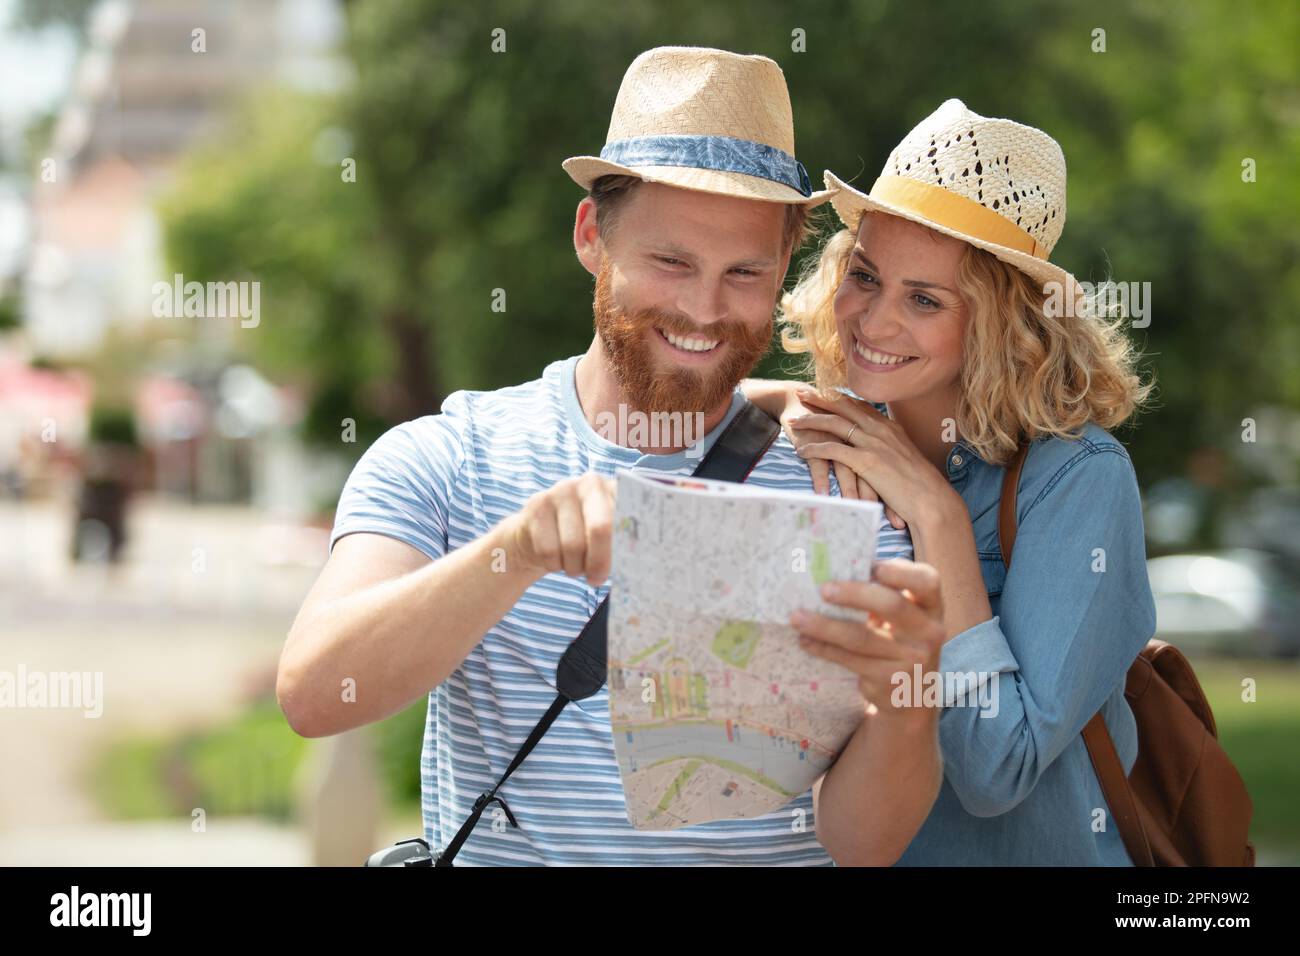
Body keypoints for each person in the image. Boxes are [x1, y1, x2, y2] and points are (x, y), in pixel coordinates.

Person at [278, 47, 947, 866]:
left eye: (745, 273)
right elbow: (316, 694)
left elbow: (865, 847)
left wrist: (907, 702)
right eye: (670, 262)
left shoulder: (844, 491)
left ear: (783, 272)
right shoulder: (449, 458)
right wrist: (511, 553)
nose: (704, 310)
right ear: (592, 235)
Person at [743, 98, 1157, 864]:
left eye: (924, 299)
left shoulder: (1079, 481)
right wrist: (764, 398)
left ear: (1003, 324)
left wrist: (937, 521)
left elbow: (997, 771)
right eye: (865, 276)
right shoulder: (835, 436)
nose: (874, 321)